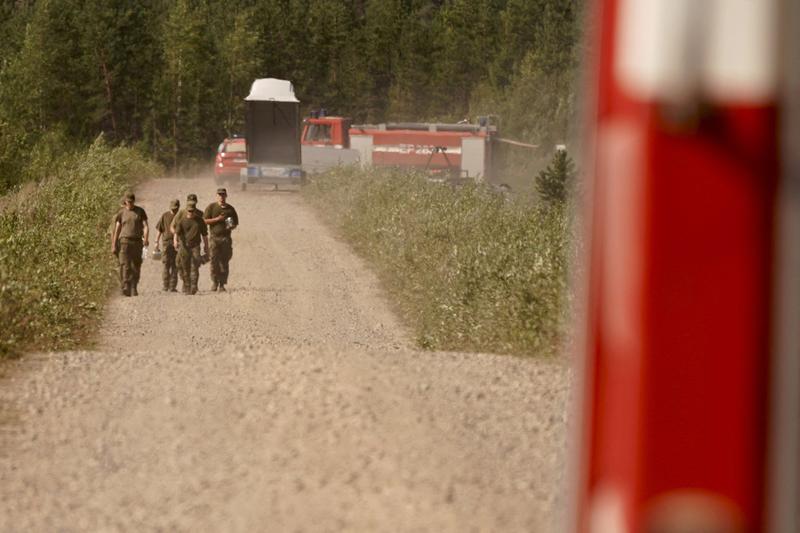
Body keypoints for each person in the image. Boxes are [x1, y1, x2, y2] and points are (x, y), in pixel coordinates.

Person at [111, 191, 149, 296]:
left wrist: (146, 238)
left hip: (137, 242)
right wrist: (113, 245)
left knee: (136, 265)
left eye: (131, 202)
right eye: (128, 202)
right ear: (125, 201)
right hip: (124, 242)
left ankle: (133, 287)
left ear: (134, 201)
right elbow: (117, 229)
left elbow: (145, 225)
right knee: (125, 265)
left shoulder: (140, 212)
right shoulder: (121, 213)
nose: (130, 204)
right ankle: (125, 286)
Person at [203, 187, 239, 292]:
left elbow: (235, 223)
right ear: (216, 196)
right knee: (214, 261)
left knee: (224, 262)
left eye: (223, 195)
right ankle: (214, 282)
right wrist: (217, 219)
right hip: (214, 238)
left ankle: (222, 284)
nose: (221, 197)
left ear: (226, 196)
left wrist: (231, 226)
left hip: (226, 239)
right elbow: (204, 221)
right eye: (219, 195)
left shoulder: (230, 209)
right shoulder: (211, 207)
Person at [173, 199, 208, 295]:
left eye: (193, 211)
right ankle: (187, 285)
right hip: (184, 247)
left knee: (194, 267)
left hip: (195, 246)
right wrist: (175, 241)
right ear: (186, 210)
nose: (191, 213)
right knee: (184, 267)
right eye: (189, 211)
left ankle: (193, 287)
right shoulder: (182, 221)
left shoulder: (199, 221)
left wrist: (206, 246)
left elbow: (204, 235)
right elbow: (176, 233)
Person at [170, 193, 199, 288]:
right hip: (182, 244)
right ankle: (186, 282)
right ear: (186, 202)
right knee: (179, 264)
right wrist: (177, 236)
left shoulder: (199, 214)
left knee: (194, 264)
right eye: (190, 202)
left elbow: (204, 227)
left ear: (196, 202)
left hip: (194, 244)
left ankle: (193, 284)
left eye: (194, 202)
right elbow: (172, 226)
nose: (192, 204)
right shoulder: (181, 213)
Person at [154, 199, 180, 292]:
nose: (174, 210)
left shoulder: (181, 216)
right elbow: (159, 230)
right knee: (166, 264)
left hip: (177, 243)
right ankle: (165, 285)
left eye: (176, 208)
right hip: (166, 243)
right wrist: (156, 241)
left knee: (175, 265)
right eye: (173, 208)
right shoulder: (165, 216)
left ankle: (172, 286)